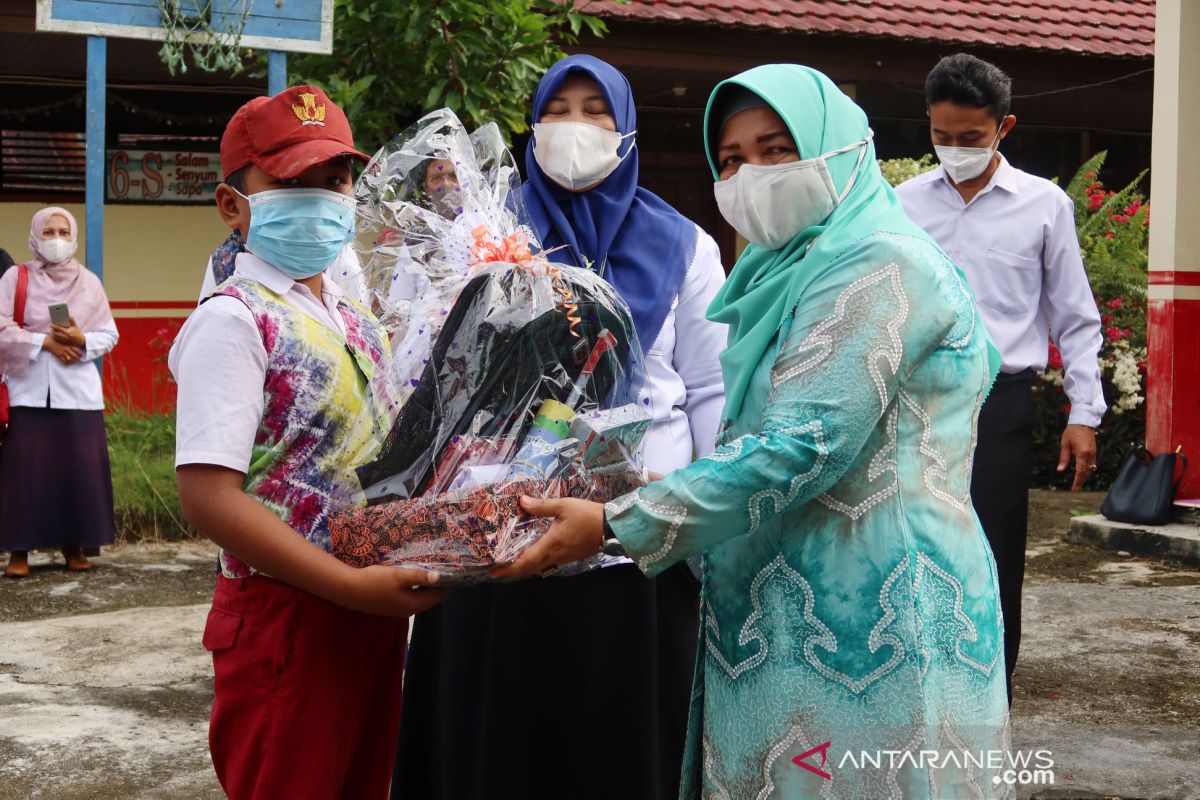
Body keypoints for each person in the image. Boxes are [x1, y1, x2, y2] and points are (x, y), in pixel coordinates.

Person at [495, 64, 1011, 796]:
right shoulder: (784, 271)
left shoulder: (880, 266)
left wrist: (617, 521)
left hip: (881, 618)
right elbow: (749, 432)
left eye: (776, 149)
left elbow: (806, 445)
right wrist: (649, 486)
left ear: (841, 148)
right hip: (775, 612)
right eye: (732, 160)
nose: (752, 176)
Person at [392, 54, 728, 800]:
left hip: (631, 543)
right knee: (496, 748)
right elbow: (420, 370)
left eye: (595, 111)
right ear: (533, 126)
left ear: (627, 128)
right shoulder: (481, 235)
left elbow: (710, 388)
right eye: (559, 109)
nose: (574, 127)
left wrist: (702, 521)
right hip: (493, 543)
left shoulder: (685, 246)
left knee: (622, 748)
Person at [168, 85, 448, 799]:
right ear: (234, 206)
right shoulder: (233, 321)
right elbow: (206, 495)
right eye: (293, 181)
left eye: (336, 179)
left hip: (367, 612)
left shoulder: (353, 317)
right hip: (286, 620)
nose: (322, 197)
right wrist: (350, 587)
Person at [895, 53, 1105, 703]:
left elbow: (1075, 318)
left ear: (1003, 127)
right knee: (909, 548)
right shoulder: (901, 205)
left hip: (1000, 402)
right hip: (914, 403)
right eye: (941, 136)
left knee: (991, 551)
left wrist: (1084, 414)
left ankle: (988, 698)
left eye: (970, 138)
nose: (953, 149)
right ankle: (911, 689)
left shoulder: (1044, 207)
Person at [0, 208, 118, 578]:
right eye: (48, 231)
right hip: (28, 391)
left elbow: (109, 334)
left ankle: (74, 547)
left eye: (63, 231)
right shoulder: (14, 278)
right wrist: (45, 343)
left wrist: (82, 340)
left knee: (77, 473)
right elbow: (1, 327)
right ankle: (18, 552)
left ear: (74, 236)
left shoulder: (89, 282)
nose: (55, 239)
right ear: (35, 236)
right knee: (24, 473)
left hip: (78, 395)